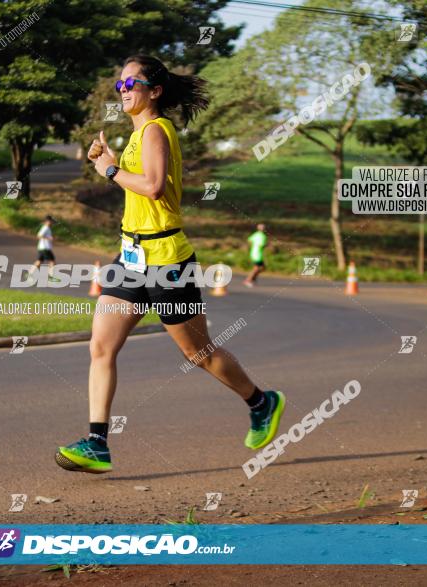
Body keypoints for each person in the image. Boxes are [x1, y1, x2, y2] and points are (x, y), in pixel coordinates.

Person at [55, 55, 286, 474]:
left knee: (197, 351)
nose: (123, 91)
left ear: (155, 91)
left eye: (132, 84)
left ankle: (261, 401)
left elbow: (155, 188)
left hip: (167, 261)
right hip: (129, 257)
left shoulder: (158, 131)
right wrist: (104, 159)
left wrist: (109, 171)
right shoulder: (137, 135)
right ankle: (97, 443)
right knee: (101, 346)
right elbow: (135, 182)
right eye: (120, 85)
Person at [243, 223, 267, 287]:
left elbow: (249, 240)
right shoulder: (262, 236)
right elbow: (262, 245)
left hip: (255, 253)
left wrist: (250, 247)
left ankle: (253, 278)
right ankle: (248, 280)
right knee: (256, 268)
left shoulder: (255, 234)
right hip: (257, 254)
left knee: (263, 268)